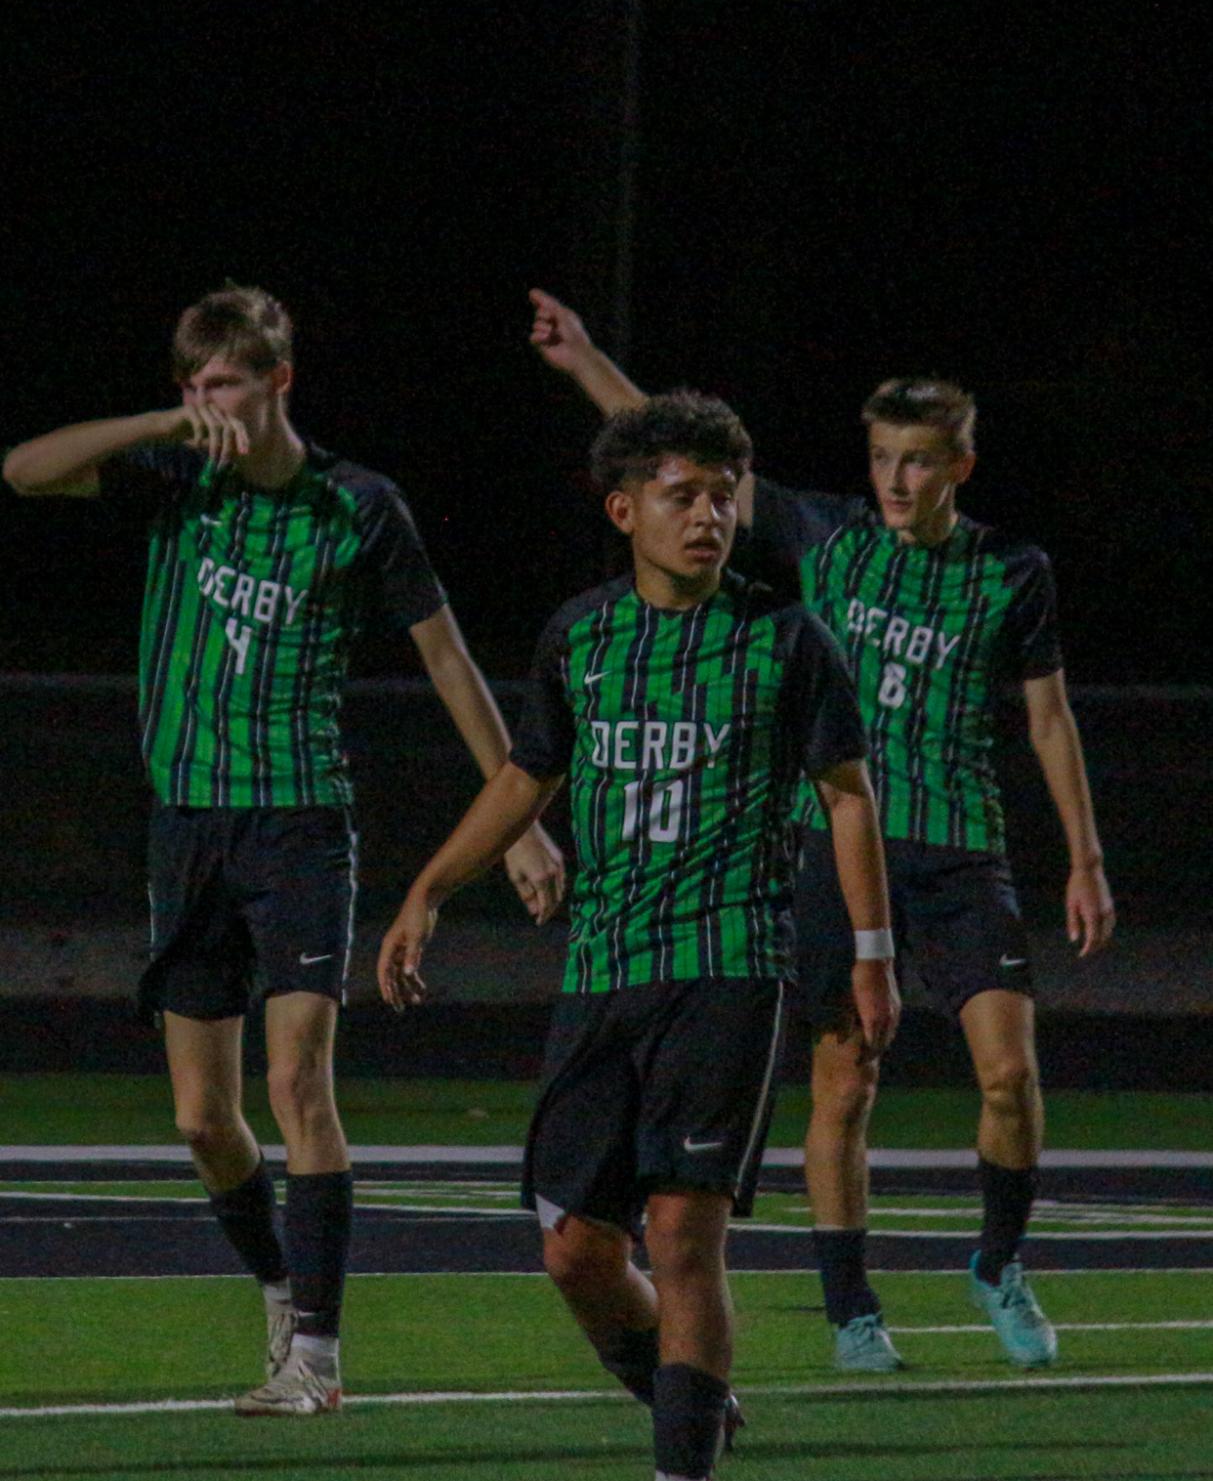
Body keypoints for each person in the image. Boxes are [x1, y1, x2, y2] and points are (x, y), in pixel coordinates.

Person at [527, 288, 1115, 1373]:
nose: (897, 479)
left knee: (1007, 1072)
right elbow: (675, 457)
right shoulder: (826, 539)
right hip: (835, 850)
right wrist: (585, 362)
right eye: (884, 457)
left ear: (959, 468)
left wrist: (1082, 857)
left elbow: (1046, 715)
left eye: (920, 461)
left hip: (957, 848)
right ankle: (851, 1308)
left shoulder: (1009, 573)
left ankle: (996, 1261)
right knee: (844, 1080)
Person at [3, 283, 564, 1416]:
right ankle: (277, 1282)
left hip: (302, 822)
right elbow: (22, 469)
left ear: (280, 384)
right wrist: (161, 425)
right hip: (189, 827)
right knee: (202, 1122)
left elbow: (450, 663)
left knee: (298, 1080)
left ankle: (317, 1352)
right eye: (195, 385)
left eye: (229, 384)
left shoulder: (358, 506)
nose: (211, 402)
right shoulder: (175, 476)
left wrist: (521, 819)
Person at [378, 392, 899, 1481]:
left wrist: (870, 953)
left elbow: (847, 798)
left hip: (728, 968)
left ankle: (680, 1462)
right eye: (681, 495)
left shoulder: (784, 639)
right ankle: (691, 1400)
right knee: (574, 1249)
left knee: (682, 1235)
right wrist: (429, 886)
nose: (707, 514)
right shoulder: (581, 635)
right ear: (624, 510)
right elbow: (529, 775)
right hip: (604, 971)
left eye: (722, 495)